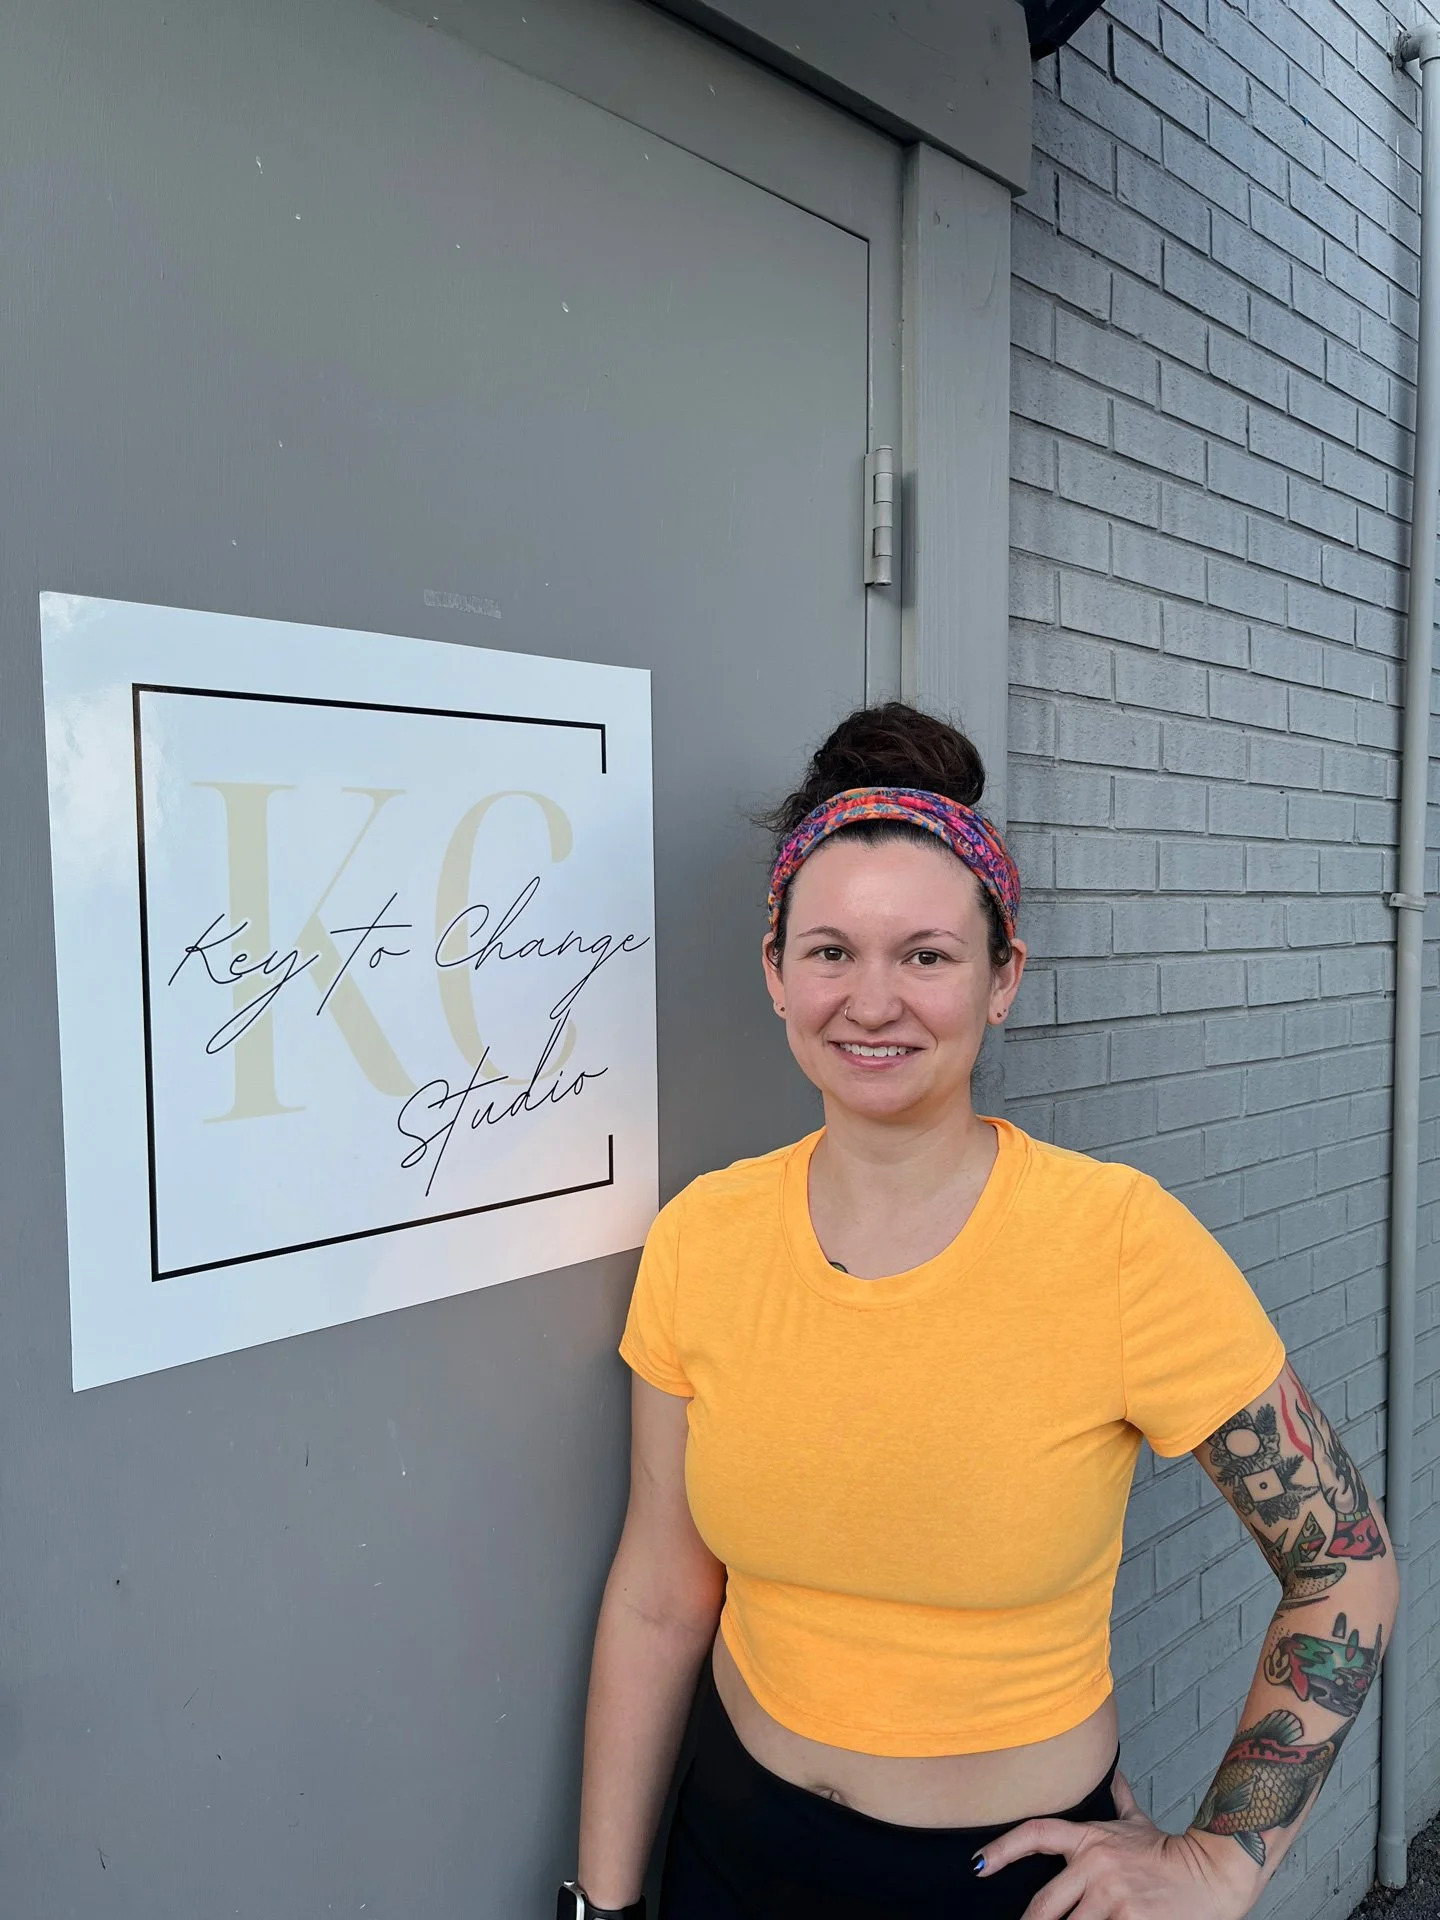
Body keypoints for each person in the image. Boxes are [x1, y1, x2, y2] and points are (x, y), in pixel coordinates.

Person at [558, 703, 1399, 1920]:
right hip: (729, 1851)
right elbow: (658, 1591)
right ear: (775, 975)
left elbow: (1343, 1567)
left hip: (1006, 1886)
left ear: (1003, 978)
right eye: (831, 951)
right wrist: (604, 1902)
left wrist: (1223, 1861)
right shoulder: (704, 1235)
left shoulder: (1116, 1239)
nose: (873, 1000)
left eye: (928, 955)